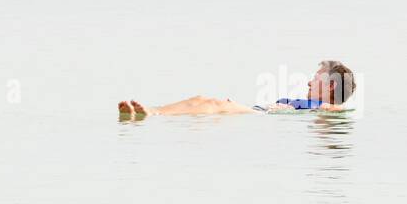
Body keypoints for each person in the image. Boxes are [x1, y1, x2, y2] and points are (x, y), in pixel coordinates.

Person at [117, 60, 356, 119]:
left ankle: (152, 113)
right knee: (203, 99)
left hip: (259, 116)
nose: (309, 82)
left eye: (316, 78)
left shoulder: (328, 106)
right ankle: (153, 110)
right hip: (258, 111)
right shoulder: (316, 106)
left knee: (211, 104)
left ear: (331, 85)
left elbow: (334, 110)